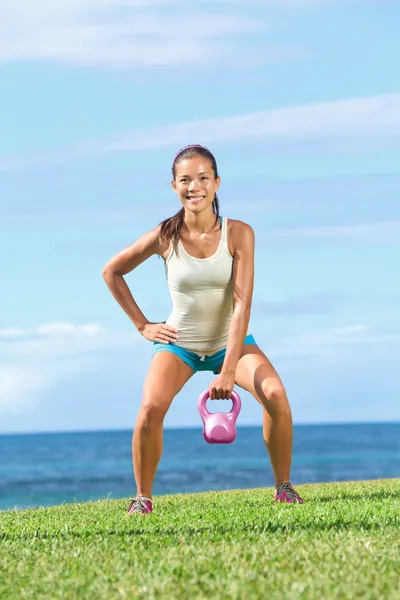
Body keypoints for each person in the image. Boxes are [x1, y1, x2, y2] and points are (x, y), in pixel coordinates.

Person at [102, 144, 304, 514]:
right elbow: (111, 271)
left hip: (234, 344)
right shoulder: (164, 235)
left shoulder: (239, 233)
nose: (194, 186)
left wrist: (228, 370)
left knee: (275, 395)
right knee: (150, 407)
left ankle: (283, 487)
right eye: (185, 180)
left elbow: (242, 303)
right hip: (180, 344)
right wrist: (143, 325)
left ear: (217, 183)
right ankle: (142, 498)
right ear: (173, 186)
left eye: (202, 178)